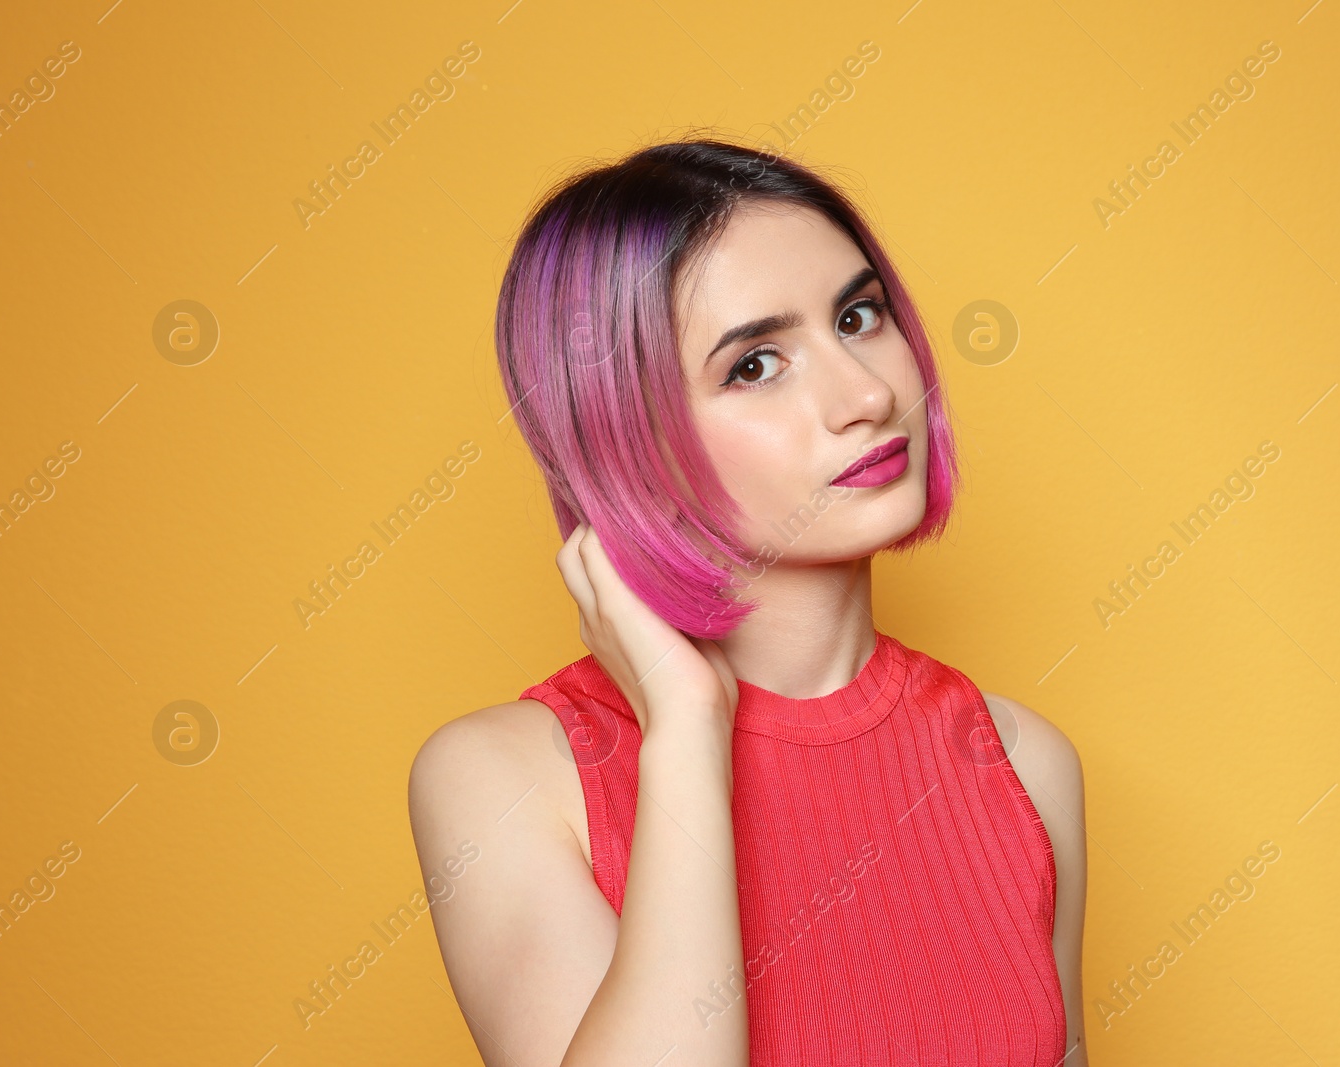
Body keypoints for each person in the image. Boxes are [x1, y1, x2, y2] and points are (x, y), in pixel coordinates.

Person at [408, 137, 1088, 1067]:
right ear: (626, 440)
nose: (869, 393)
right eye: (755, 365)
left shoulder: (1019, 762)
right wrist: (685, 725)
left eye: (858, 316)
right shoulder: (510, 779)